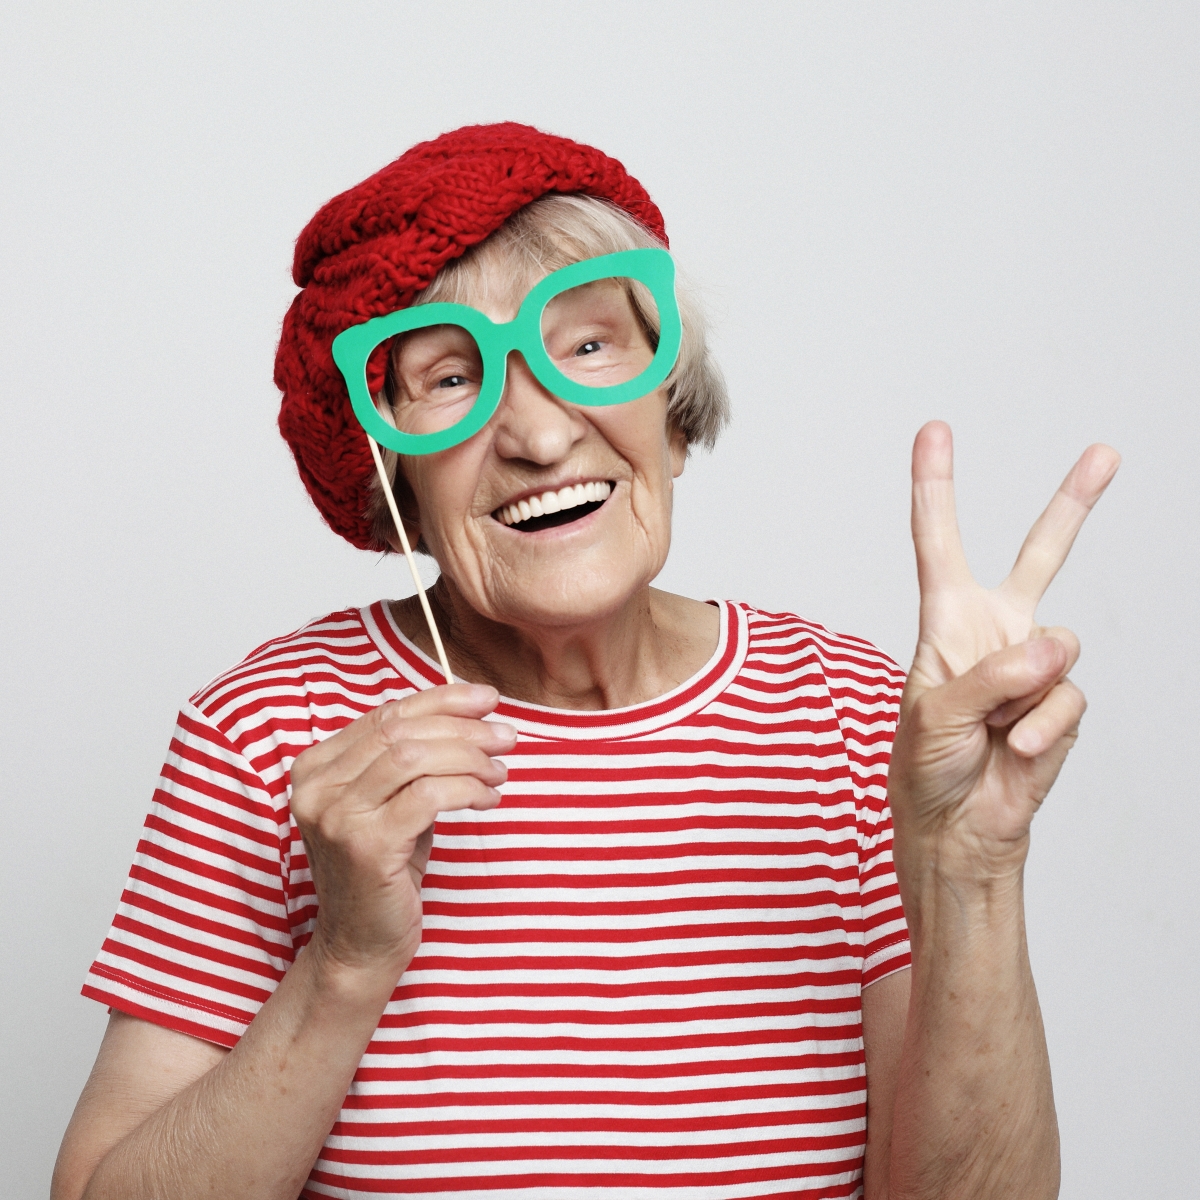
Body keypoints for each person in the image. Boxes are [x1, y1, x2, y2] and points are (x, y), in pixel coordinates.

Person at [52, 122, 1118, 1200]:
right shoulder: (269, 733)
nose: (541, 433)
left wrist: (970, 871)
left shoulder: (851, 719)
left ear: (674, 411)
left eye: (590, 345)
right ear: (391, 475)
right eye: (449, 376)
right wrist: (345, 963)